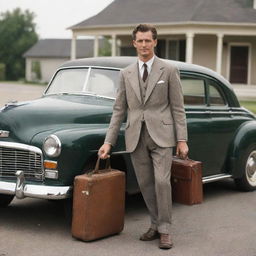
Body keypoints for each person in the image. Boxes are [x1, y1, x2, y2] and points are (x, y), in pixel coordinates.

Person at [98, 24, 188, 250]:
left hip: (163, 136)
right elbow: (119, 109)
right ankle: (155, 224)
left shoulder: (168, 70)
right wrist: (108, 142)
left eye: (148, 40)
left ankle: (166, 229)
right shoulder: (125, 73)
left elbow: (178, 108)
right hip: (135, 136)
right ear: (134, 43)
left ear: (155, 42)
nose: (144, 45)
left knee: (161, 182)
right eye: (140, 41)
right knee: (146, 184)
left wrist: (182, 139)